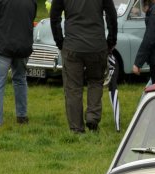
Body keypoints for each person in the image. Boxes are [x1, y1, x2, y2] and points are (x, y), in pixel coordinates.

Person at [50, 0, 118, 133]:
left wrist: (60, 42)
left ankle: (76, 127)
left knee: (73, 88)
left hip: (72, 46)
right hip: (96, 45)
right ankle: (93, 117)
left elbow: (54, 17)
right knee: (96, 81)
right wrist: (111, 41)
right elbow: (112, 15)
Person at [0, 0, 36, 126]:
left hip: (1, 45)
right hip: (23, 45)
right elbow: (32, 15)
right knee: (20, 79)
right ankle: (22, 116)